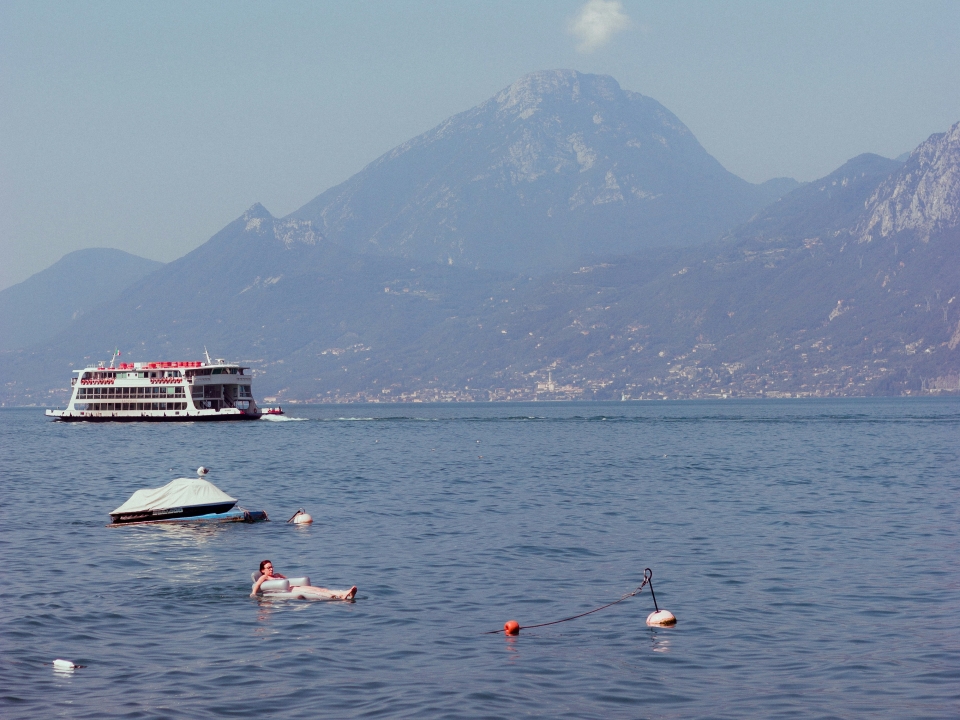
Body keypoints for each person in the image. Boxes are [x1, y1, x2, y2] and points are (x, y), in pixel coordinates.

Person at [251, 559, 357, 600]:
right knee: (315, 592)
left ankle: (345, 593)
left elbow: (287, 579)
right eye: (268, 568)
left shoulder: (277, 574)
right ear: (263, 570)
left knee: (321, 589)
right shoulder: (264, 577)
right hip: (290, 590)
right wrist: (253, 593)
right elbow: (257, 584)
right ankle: (339, 597)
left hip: (294, 587)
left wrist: (280, 576)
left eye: (272, 567)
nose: (271, 569)